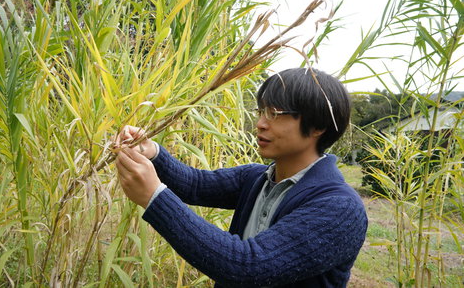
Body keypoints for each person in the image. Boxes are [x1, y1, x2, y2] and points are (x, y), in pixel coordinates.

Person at [115, 68, 368, 287]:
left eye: (274, 114)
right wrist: (152, 152)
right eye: (261, 112)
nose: (260, 123)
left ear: (318, 127)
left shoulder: (339, 208)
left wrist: (155, 198)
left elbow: (247, 266)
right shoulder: (257, 178)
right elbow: (194, 184)